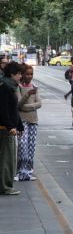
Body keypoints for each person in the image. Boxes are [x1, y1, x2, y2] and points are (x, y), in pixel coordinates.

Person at [0, 62, 24, 195]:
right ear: (12, 74)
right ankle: (6, 186)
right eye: (19, 73)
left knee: (8, 158)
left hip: (9, 127)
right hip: (5, 129)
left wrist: (18, 125)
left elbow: (13, 109)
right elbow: (3, 110)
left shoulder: (10, 87)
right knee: (7, 159)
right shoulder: (5, 88)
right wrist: (11, 126)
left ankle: (5, 185)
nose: (21, 76)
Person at [16, 64, 42, 182]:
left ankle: (29, 171)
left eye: (31, 74)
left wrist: (28, 107)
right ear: (22, 74)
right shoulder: (18, 87)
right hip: (21, 121)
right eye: (27, 74)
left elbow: (39, 103)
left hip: (33, 121)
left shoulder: (35, 87)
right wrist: (28, 95)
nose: (29, 76)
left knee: (31, 147)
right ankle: (20, 171)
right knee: (22, 146)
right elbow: (19, 105)